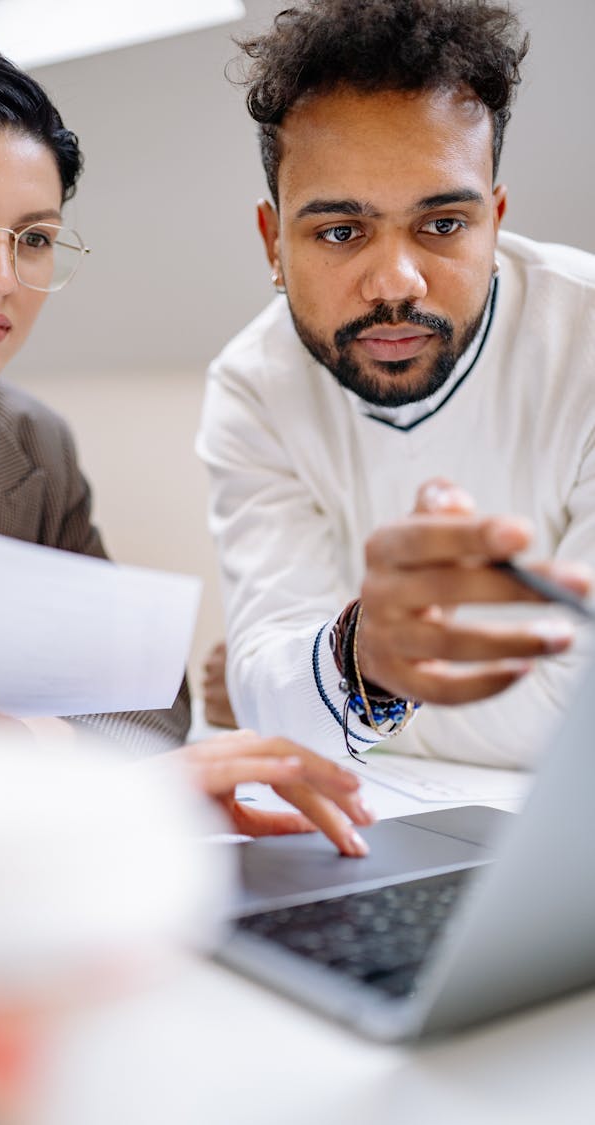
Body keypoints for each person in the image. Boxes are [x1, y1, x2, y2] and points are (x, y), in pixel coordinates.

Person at [0, 30, 374, 856]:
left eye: (35, 236)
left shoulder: (33, 446)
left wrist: (16, 746)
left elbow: (149, 706)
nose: (1, 277)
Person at [197, 0, 595, 769]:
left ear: (495, 221)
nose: (396, 283)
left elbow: (584, 715)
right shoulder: (252, 388)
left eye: (443, 224)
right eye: (341, 232)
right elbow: (264, 688)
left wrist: (327, 692)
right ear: (273, 243)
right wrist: (359, 652)